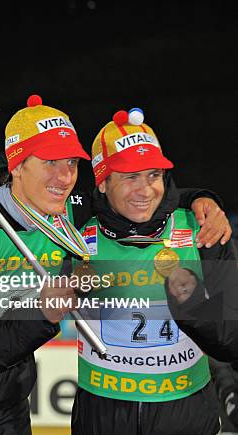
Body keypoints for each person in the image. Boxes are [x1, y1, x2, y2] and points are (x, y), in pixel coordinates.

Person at [0, 95, 232, 435]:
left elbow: (138, 196)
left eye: (71, 163)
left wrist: (202, 200)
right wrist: (43, 313)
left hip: (9, 409)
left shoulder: (70, 212)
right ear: (18, 165)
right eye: (50, 162)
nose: (65, 177)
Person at [70, 108, 232, 434]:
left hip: (187, 408)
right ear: (102, 183)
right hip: (102, 411)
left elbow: (232, 336)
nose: (145, 191)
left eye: (153, 175)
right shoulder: (72, 231)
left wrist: (196, 309)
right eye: (130, 177)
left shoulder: (203, 228)